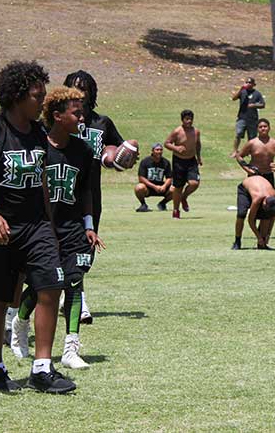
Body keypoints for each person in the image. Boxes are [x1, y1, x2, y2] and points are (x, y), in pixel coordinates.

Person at [0, 60, 75, 393]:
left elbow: (42, 181)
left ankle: (42, 369)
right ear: (16, 96)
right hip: (0, 227)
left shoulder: (38, 133)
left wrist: (50, 225)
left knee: (50, 286)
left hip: (36, 226)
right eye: (36, 95)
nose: (42, 101)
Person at [11, 87, 105, 370]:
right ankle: (20, 323)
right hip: (41, 228)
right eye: (76, 112)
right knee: (44, 286)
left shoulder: (83, 150)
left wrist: (89, 225)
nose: (82, 116)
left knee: (74, 283)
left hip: (73, 228)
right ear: (57, 116)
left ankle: (70, 349)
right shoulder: (38, 146)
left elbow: (86, 190)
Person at [63, 70, 139, 325]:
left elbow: (115, 151)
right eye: (74, 87)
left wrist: (123, 158)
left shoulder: (101, 123)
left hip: (91, 194)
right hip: (61, 191)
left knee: (86, 246)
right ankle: (75, 296)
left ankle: (73, 291)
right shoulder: (60, 121)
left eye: (84, 88)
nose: (80, 92)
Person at [165, 109, 202, 219]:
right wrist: (176, 148)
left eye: (190, 119)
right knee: (178, 187)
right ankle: (176, 210)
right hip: (179, 161)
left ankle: (183, 197)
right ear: (182, 120)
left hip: (191, 160)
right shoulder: (177, 131)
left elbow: (198, 144)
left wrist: (199, 157)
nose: (189, 121)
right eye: (186, 119)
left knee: (194, 183)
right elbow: (166, 143)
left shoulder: (196, 131)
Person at [232, 174, 275, 250]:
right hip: (245, 189)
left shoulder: (274, 198)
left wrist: (267, 235)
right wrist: (258, 237)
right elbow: (251, 220)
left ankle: (262, 244)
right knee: (241, 214)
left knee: (266, 216)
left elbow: (272, 217)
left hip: (258, 186)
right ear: (264, 202)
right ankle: (237, 241)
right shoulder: (258, 198)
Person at [235, 118, 275, 188]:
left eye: (265, 126)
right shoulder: (252, 143)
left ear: (269, 128)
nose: (263, 128)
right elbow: (239, 156)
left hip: (268, 174)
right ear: (257, 129)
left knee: (270, 197)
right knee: (253, 196)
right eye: (260, 127)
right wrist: (247, 169)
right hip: (254, 174)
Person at [230, 77, 265, 157]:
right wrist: (240, 89)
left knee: (252, 137)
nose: (248, 84)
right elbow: (234, 98)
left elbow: (263, 105)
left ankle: (251, 152)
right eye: (246, 82)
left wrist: (254, 105)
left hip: (253, 119)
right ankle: (235, 151)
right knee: (238, 134)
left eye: (250, 82)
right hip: (242, 117)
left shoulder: (257, 94)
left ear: (253, 84)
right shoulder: (242, 92)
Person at [135, 143, 173, 212]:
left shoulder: (166, 162)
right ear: (152, 151)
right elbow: (141, 178)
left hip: (161, 187)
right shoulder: (145, 161)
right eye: (157, 150)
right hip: (148, 187)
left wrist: (164, 186)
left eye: (161, 150)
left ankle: (162, 204)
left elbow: (169, 178)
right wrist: (154, 186)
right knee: (139, 187)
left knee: (175, 189)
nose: (159, 151)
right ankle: (143, 205)